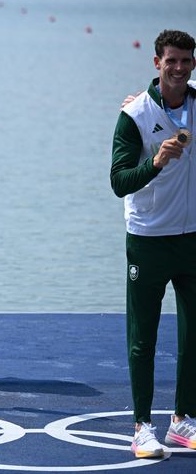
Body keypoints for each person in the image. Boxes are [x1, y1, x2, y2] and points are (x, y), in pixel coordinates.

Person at [110, 29, 196, 458]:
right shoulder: (136, 115)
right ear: (157, 63)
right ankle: (142, 426)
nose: (178, 68)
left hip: (193, 239)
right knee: (143, 337)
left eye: (186, 61)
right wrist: (156, 162)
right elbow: (118, 182)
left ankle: (183, 420)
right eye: (171, 61)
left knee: (194, 335)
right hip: (148, 239)